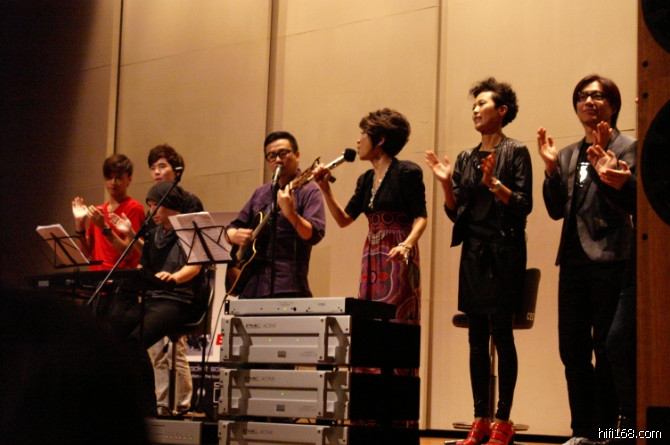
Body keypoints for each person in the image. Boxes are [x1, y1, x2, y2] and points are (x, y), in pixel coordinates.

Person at [425, 78, 531, 445]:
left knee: (502, 334)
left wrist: (494, 183)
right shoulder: (466, 158)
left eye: (482, 103)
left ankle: (503, 419)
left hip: (504, 252)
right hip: (472, 252)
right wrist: (445, 183)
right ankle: (480, 418)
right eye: (473, 104)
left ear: (501, 111)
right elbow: (456, 213)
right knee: (475, 339)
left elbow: (524, 205)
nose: (475, 109)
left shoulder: (516, 152)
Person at [537, 73, 636, 445]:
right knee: (572, 349)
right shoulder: (566, 154)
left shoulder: (629, 147)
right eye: (581, 96)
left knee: (606, 348)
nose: (588, 101)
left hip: (611, 257)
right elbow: (555, 211)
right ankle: (582, 430)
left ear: (613, 105)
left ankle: (608, 430)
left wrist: (608, 167)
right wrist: (550, 170)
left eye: (597, 95)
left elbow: (632, 202)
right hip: (573, 262)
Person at [313, 108, 427, 324]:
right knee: (369, 319)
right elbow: (344, 220)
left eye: (363, 133)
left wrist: (406, 245)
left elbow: (421, 217)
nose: (358, 140)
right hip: (372, 253)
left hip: (397, 251)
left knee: (397, 317)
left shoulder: (406, 172)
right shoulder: (365, 179)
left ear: (380, 140)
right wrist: (325, 189)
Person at [107, 180, 208, 417]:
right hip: (155, 298)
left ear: (171, 205)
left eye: (155, 205)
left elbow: (195, 267)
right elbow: (143, 267)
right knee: (116, 332)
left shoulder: (190, 231)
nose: (151, 211)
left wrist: (174, 277)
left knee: (136, 341)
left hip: (179, 300)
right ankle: (131, 402)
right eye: (150, 205)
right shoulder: (153, 234)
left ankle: (148, 408)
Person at [225, 131, 326, 299]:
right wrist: (234, 235)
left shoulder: (309, 190)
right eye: (271, 156)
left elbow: (314, 235)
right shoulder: (261, 193)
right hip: (251, 287)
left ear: (297, 155)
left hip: (287, 286)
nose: (277, 160)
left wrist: (290, 213)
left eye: (283, 153)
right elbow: (232, 228)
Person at [143, 144, 204, 417]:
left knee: (172, 350)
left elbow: (195, 261)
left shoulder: (189, 207)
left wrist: (175, 277)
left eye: (162, 166)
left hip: (180, 294)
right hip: (158, 291)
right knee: (156, 349)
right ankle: (161, 404)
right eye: (152, 168)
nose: (156, 172)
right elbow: (148, 260)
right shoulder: (155, 226)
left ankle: (179, 405)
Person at [71, 153, 144, 271]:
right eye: (109, 178)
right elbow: (85, 254)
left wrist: (103, 227)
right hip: (97, 278)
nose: (113, 182)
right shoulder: (98, 211)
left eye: (118, 178)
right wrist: (80, 223)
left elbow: (128, 253)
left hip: (120, 278)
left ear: (129, 180)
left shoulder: (134, 208)